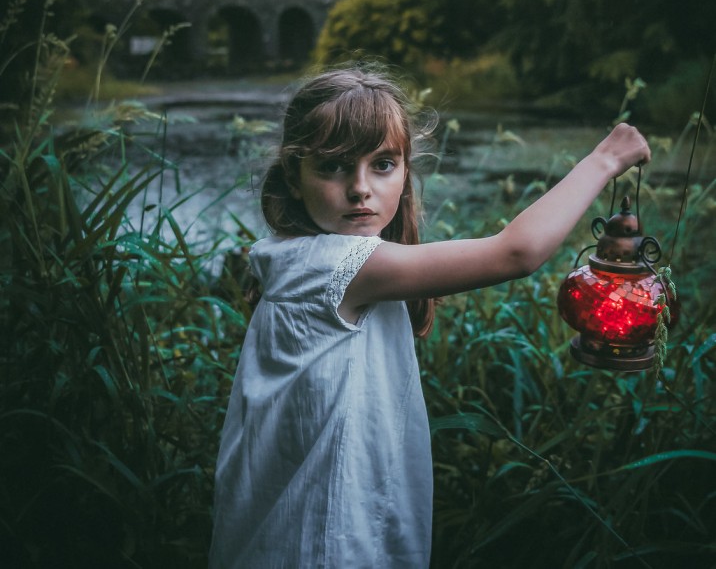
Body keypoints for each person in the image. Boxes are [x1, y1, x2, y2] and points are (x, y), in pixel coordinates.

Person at [209, 67, 651, 569]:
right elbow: (515, 254)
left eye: (382, 164)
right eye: (332, 168)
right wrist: (604, 160)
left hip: (290, 529)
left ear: (405, 169)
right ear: (294, 173)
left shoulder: (292, 255)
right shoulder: (336, 266)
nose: (360, 189)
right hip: (323, 539)